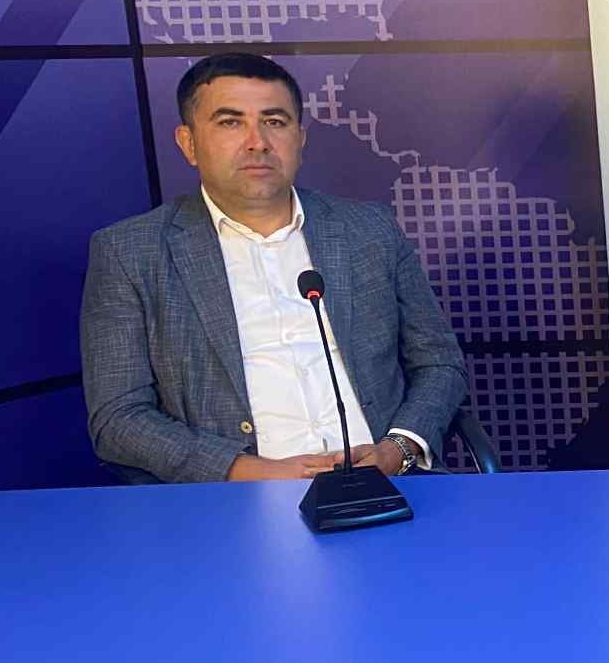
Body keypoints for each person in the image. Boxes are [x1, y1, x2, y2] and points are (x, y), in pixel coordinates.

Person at [81, 53, 467, 483]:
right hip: (238, 499)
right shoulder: (130, 252)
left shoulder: (369, 229)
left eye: (275, 121)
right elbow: (118, 418)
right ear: (188, 143)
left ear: (300, 139)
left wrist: (398, 449)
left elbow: (439, 363)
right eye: (230, 122)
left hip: (389, 482)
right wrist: (245, 471)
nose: (258, 142)